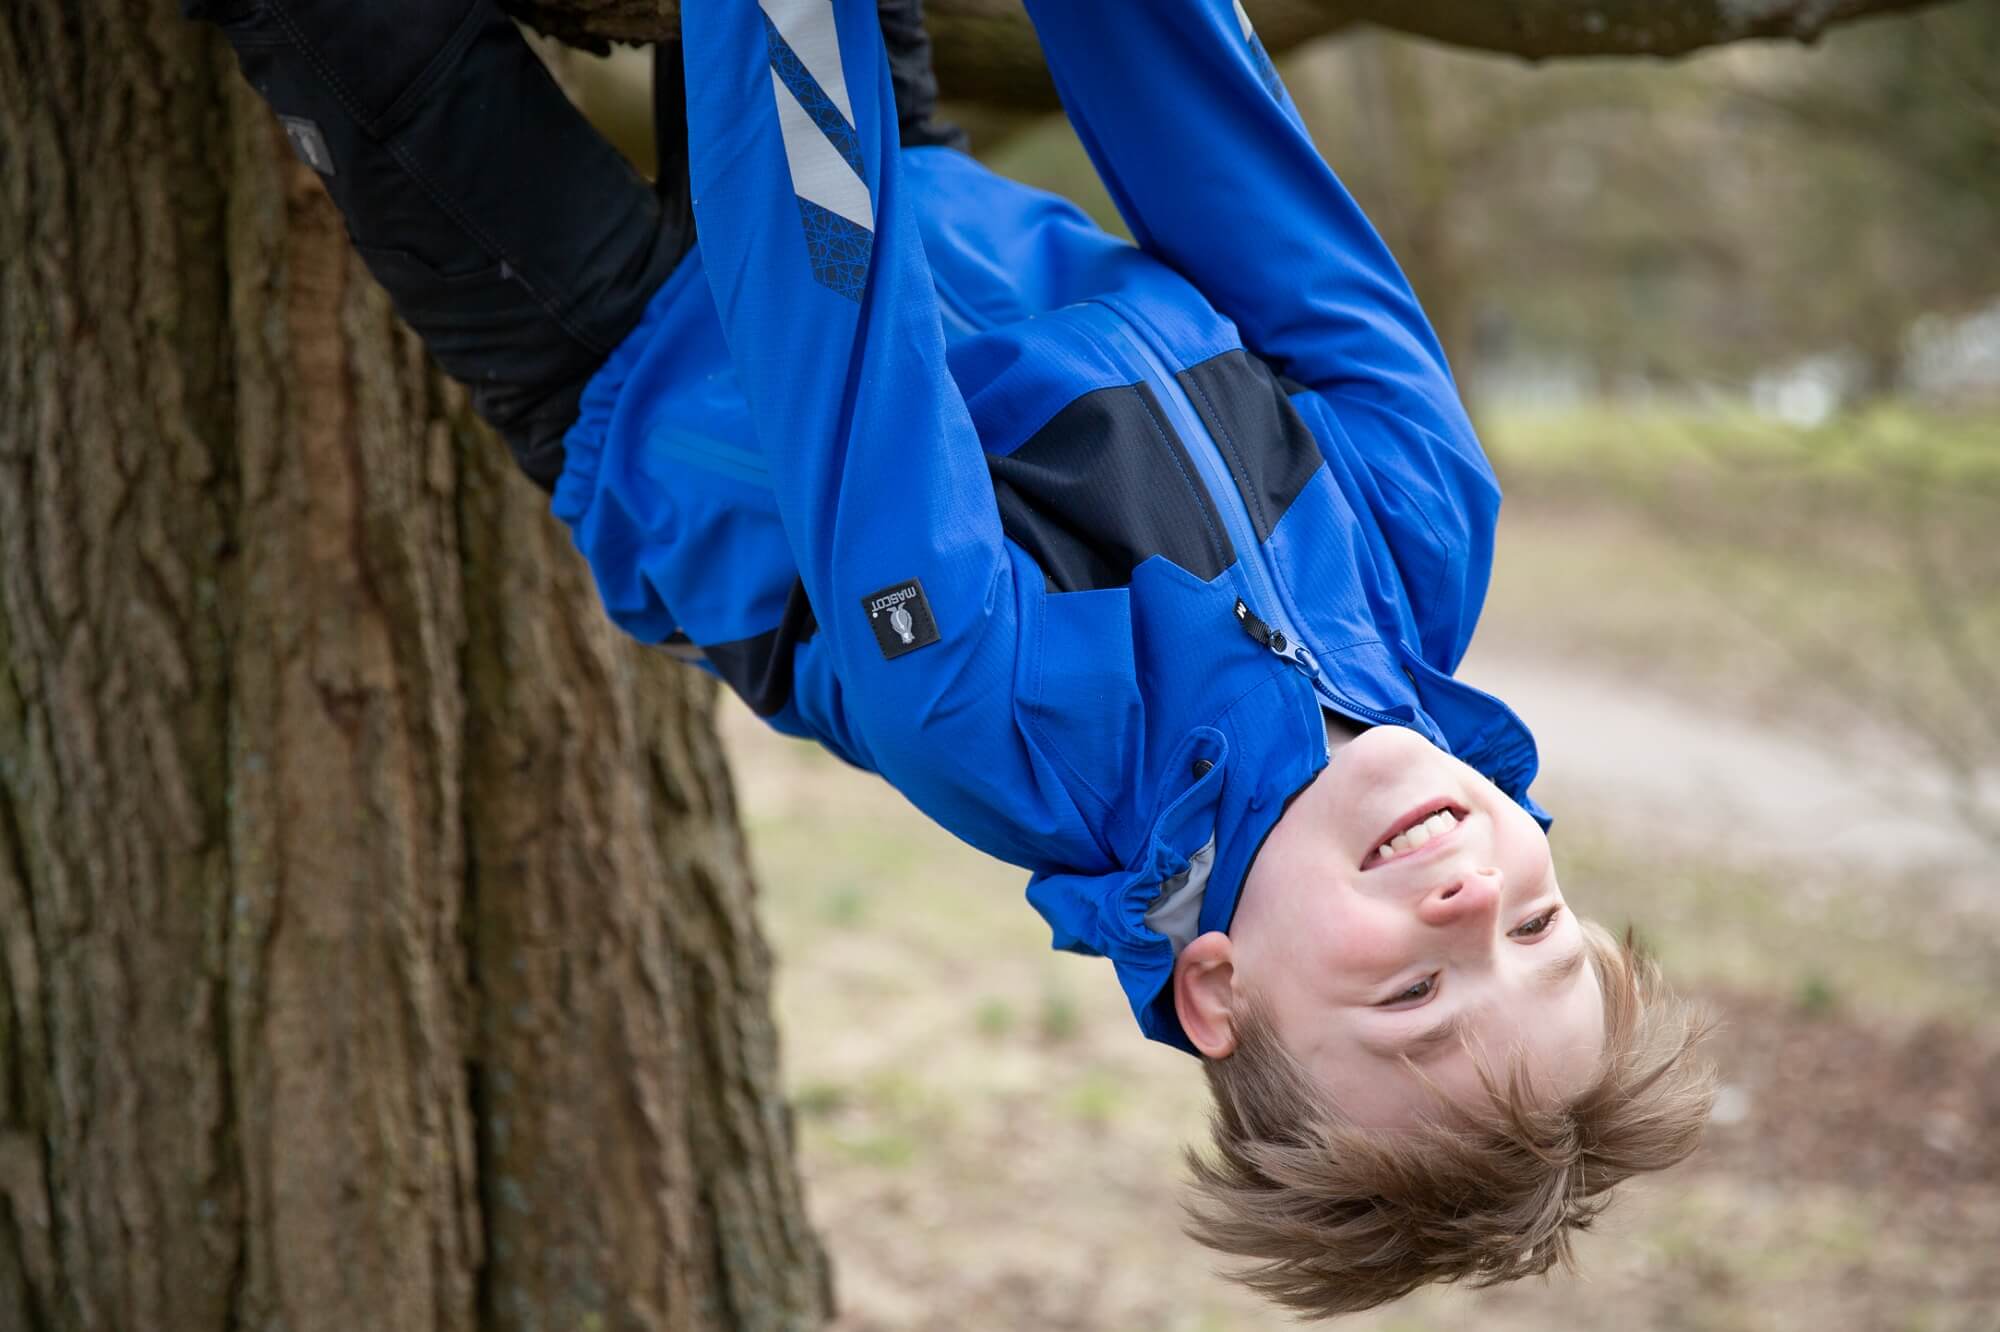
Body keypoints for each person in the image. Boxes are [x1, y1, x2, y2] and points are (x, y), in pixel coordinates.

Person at [186, 0, 1715, 1314]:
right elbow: (1225, 149)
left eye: (1415, 999)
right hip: (900, 173)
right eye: (1539, 935)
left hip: (624, 347)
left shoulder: (1014, 731)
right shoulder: (1425, 532)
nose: (1469, 905)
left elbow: (819, 306)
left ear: (1216, 992)